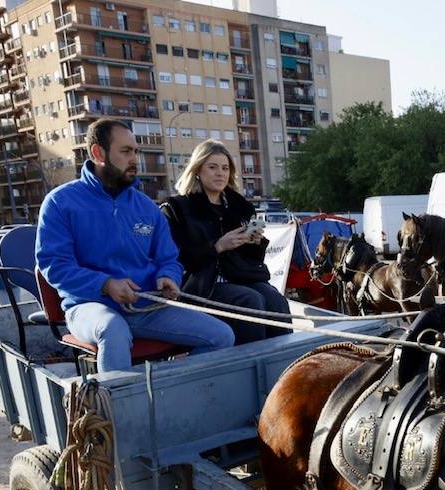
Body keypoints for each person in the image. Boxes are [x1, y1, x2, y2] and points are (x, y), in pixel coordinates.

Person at [35, 119, 233, 372]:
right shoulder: (60, 203)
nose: (134, 159)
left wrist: (168, 277)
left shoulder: (146, 207)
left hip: (145, 306)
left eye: (136, 151)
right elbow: (54, 265)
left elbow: (168, 259)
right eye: (126, 151)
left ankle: (168, 397)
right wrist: (105, 284)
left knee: (221, 336)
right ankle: (118, 410)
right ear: (98, 153)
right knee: (112, 329)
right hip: (87, 307)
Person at [160, 140, 291, 345]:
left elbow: (251, 260)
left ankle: (283, 361)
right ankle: (252, 366)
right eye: (212, 167)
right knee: (250, 300)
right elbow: (177, 257)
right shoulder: (177, 208)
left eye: (225, 168)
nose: (220, 173)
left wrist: (254, 242)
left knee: (275, 298)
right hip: (201, 284)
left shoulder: (240, 206)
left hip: (240, 276)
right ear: (197, 170)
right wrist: (217, 246)